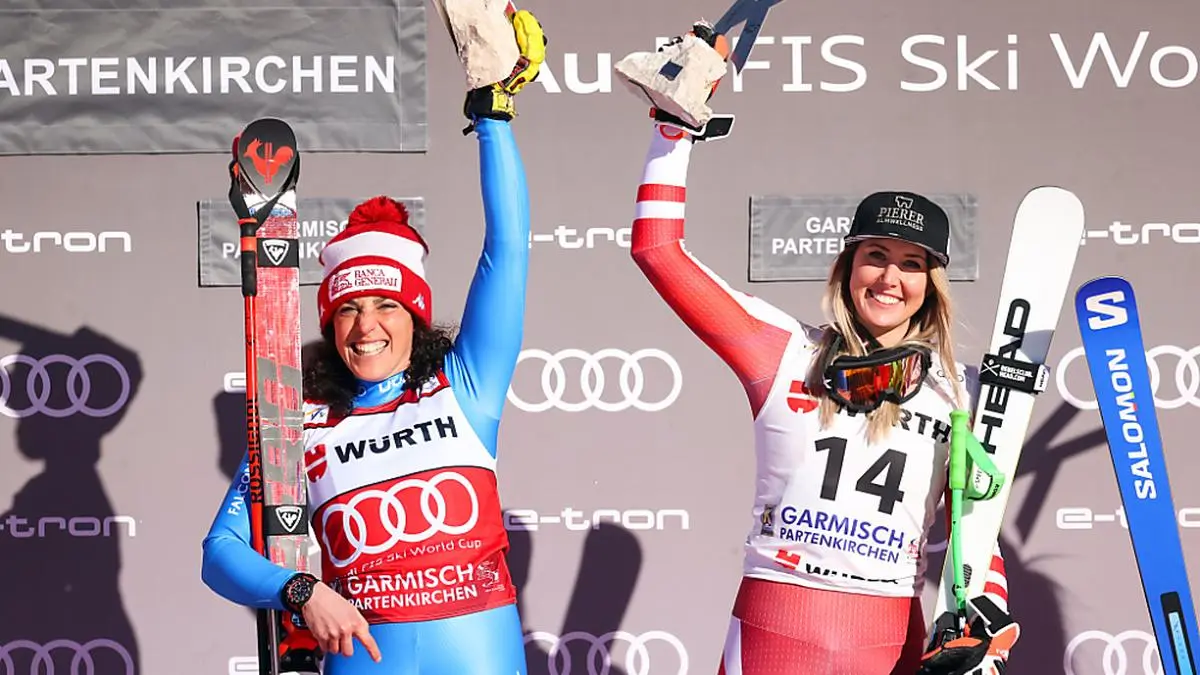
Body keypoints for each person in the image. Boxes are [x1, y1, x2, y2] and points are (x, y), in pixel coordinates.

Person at [625, 23, 1020, 675]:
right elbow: (658, 251)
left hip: (887, 636)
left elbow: (973, 529)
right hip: (775, 627)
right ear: (847, 266)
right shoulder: (782, 351)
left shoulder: (959, 392)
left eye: (912, 264)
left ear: (931, 284)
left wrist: (986, 617)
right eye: (876, 256)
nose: (889, 278)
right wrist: (673, 131)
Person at [200, 10, 546, 674]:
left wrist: (493, 117)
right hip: (365, 656)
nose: (366, 327)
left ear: (416, 316)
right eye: (348, 310)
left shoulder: (464, 385)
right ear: (330, 323)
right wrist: (301, 591)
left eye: (387, 305)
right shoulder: (299, 423)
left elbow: (507, 249)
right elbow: (220, 552)